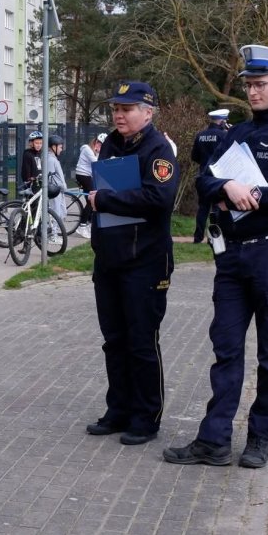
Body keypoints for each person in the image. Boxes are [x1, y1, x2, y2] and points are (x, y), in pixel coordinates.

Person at [163, 45, 268, 469]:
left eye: (260, 84)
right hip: (232, 258)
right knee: (226, 349)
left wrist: (246, 193)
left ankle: (260, 437)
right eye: (248, 84)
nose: (252, 91)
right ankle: (213, 440)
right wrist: (227, 187)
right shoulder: (237, 134)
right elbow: (205, 181)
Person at [85, 81, 178, 446]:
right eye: (115, 109)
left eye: (126, 109)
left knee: (141, 341)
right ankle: (119, 410)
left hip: (146, 261)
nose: (118, 115)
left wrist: (105, 200)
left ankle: (146, 417)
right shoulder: (111, 143)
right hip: (110, 258)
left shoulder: (159, 149)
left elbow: (159, 198)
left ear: (148, 113)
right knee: (114, 340)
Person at [190, 109, 231, 243]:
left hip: (202, 176)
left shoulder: (200, 135)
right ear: (222, 121)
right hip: (218, 178)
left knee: (202, 208)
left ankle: (198, 237)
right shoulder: (224, 135)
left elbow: (194, 157)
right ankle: (215, 237)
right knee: (217, 208)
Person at [73, 133, 104, 239]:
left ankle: (88, 223)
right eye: (100, 144)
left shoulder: (95, 152)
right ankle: (82, 226)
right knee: (91, 201)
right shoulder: (87, 149)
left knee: (90, 200)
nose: (100, 146)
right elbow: (97, 163)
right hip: (83, 175)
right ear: (96, 142)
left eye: (102, 145)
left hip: (88, 176)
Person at [45, 134, 68, 245]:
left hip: (59, 190)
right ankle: (53, 236)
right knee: (56, 213)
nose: (61, 149)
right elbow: (51, 178)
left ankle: (55, 234)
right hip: (54, 191)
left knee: (61, 212)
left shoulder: (53, 159)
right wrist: (61, 186)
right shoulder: (50, 160)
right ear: (54, 147)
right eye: (60, 147)